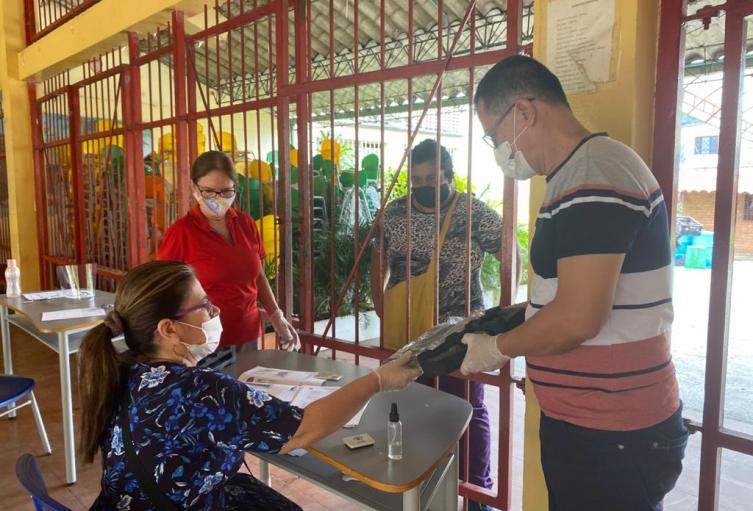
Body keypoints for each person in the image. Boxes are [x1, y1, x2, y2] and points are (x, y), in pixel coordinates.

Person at [461, 55, 686, 511]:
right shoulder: (574, 177)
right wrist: (519, 314)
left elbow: (579, 318)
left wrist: (498, 347)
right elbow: (571, 294)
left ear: (524, 112)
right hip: (592, 424)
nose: (498, 149)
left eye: (493, 134)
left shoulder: (594, 174)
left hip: (614, 433)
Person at [79, 260, 421, 510]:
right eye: (203, 306)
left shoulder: (126, 371)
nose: (214, 312)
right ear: (169, 330)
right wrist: (377, 379)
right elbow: (302, 430)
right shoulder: (203, 390)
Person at [370, 139, 512, 511]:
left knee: (468, 406)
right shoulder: (395, 213)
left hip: (463, 331)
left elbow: (509, 251)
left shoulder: (473, 212)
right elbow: (377, 261)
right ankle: (423, 487)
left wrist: (503, 315)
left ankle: (475, 494)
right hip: (410, 331)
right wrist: (384, 311)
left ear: (448, 175)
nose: (425, 185)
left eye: (433, 177)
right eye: (417, 179)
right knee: (414, 406)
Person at [159, 151, 295, 369]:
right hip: (205, 343)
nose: (218, 199)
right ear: (194, 188)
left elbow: (258, 275)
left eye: (226, 191)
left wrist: (276, 316)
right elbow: (163, 288)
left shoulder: (246, 224)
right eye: (209, 192)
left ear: (235, 189)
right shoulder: (181, 233)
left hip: (248, 333)